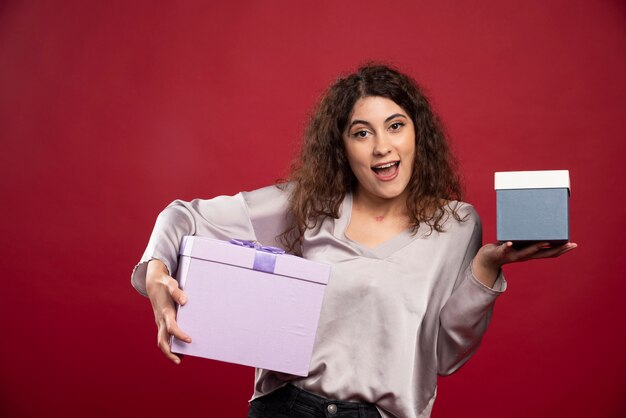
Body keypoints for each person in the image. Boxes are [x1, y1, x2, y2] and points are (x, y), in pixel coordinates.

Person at [131, 64, 576, 418]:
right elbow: (182, 216)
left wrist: (486, 268)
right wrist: (156, 275)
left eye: (396, 126)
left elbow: (442, 356)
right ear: (342, 147)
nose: (382, 146)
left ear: (417, 133)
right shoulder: (307, 206)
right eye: (362, 133)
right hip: (288, 408)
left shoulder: (456, 225)